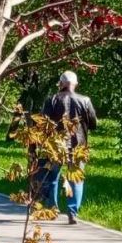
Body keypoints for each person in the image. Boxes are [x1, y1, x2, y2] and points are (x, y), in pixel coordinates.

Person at [33, 70, 97, 224]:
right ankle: (72, 212)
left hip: (56, 145)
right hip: (78, 146)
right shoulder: (85, 100)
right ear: (75, 84)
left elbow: (43, 124)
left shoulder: (52, 100)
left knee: (53, 177)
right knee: (76, 179)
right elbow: (93, 123)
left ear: (61, 84)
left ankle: (53, 208)